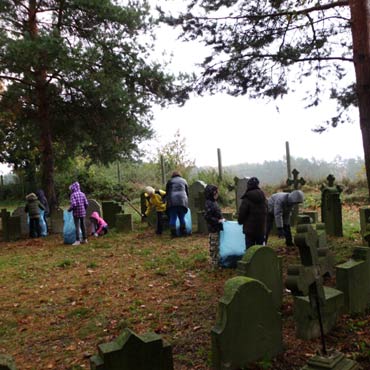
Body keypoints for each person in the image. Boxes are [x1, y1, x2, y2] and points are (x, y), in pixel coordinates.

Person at [237, 177, 267, 248]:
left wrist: (240, 221)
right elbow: (266, 210)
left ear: (248, 186)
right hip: (261, 228)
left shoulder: (247, 198)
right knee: (260, 250)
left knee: (250, 250)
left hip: (250, 230)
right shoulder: (263, 197)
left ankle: (250, 259)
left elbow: (242, 213)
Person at [204, 184, 225, 268]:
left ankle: (217, 262)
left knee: (217, 245)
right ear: (213, 193)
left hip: (217, 227)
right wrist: (218, 220)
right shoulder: (209, 203)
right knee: (214, 246)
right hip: (213, 228)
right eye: (216, 192)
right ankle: (214, 263)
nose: (218, 194)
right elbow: (207, 216)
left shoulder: (213, 202)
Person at [165, 171, 189, 237]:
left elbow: (167, 192)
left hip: (172, 201)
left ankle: (173, 233)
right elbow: (187, 192)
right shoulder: (184, 181)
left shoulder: (170, 181)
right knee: (182, 217)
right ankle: (183, 232)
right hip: (183, 200)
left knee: (173, 217)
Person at [68, 181, 89, 245]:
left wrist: (69, 209)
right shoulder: (83, 194)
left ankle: (78, 240)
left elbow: (74, 204)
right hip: (83, 212)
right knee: (83, 225)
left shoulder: (73, 195)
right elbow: (86, 203)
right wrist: (84, 209)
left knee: (77, 226)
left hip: (76, 213)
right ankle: (85, 239)